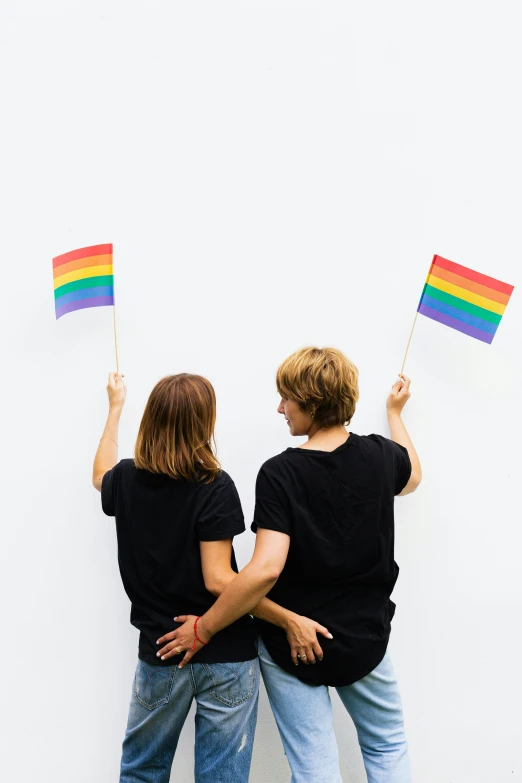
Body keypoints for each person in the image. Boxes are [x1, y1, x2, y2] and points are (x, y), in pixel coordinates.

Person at [157, 347, 422, 783]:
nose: (280, 408)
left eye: (287, 398)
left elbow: (265, 571)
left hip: (291, 645)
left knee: (314, 765)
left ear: (312, 401)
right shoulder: (381, 457)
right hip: (365, 639)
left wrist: (203, 627)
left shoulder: (281, 473)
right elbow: (411, 476)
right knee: (386, 744)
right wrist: (396, 415)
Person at [93, 371, 329, 783]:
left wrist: (114, 409)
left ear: (151, 419)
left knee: (141, 772)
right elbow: (219, 580)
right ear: (205, 423)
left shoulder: (125, 480)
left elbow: (100, 475)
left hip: (161, 652)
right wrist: (287, 618)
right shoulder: (214, 486)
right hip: (226, 656)